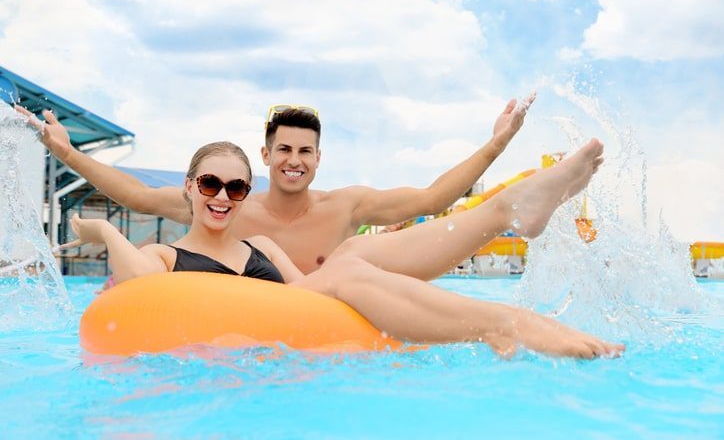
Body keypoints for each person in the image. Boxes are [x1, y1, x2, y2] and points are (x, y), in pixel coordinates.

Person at [65, 139, 625, 359]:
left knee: (350, 261)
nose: (222, 197)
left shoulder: (259, 244)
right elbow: (139, 289)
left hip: (313, 334)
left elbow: (307, 296)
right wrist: (109, 232)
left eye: (236, 187)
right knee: (351, 263)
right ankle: (508, 263)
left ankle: (508, 216)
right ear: (189, 187)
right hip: (251, 351)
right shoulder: (167, 260)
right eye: (210, 184)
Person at [17, 95, 535, 274]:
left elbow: (431, 199)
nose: (293, 161)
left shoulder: (346, 206)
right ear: (265, 155)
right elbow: (131, 194)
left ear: (318, 158)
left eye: (305, 151)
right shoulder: (227, 204)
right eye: (283, 149)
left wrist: (495, 146)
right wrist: (66, 153)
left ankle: (510, 210)